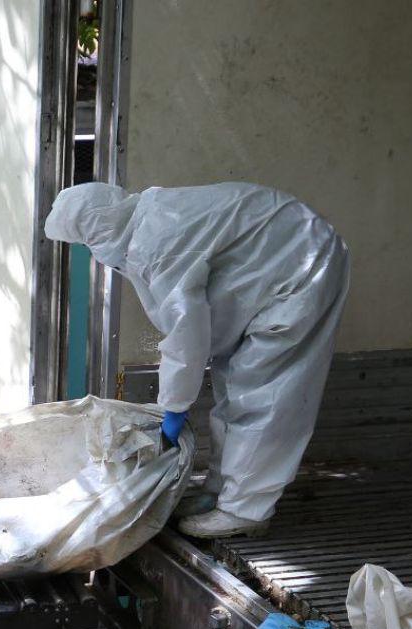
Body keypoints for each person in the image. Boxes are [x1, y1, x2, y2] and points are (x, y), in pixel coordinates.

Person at [45, 181, 350, 538]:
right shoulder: (147, 220)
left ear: (99, 229)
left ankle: (244, 509)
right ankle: (221, 490)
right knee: (232, 386)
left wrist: (173, 407)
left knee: (263, 395)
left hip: (301, 271)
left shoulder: (157, 244)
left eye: (86, 243)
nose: (92, 252)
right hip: (282, 261)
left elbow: (185, 335)